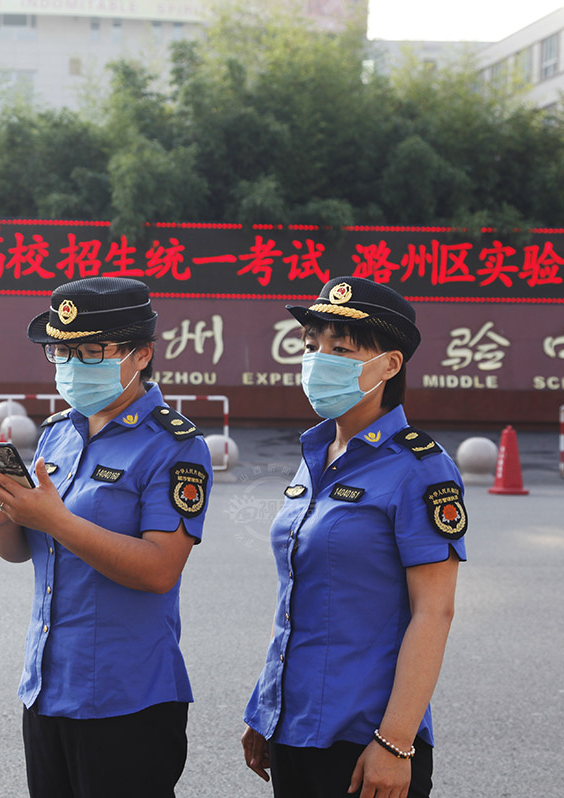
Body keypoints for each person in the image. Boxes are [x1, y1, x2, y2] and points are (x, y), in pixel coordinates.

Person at [0, 276, 213, 798]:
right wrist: (3, 517)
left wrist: (55, 519)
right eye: (61, 351)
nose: (72, 365)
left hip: (127, 698)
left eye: (90, 351)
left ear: (141, 354)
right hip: (48, 686)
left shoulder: (175, 447)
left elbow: (159, 569)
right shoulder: (59, 431)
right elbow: (22, 552)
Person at [240, 276, 465, 798]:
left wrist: (396, 742)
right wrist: (266, 708)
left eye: (340, 349)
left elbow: (435, 611)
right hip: (294, 728)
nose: (319, 359)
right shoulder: (318, 454)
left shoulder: (420, 469)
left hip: (367, 740)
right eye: (312, 345)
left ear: (390, 365)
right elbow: (300, 601)